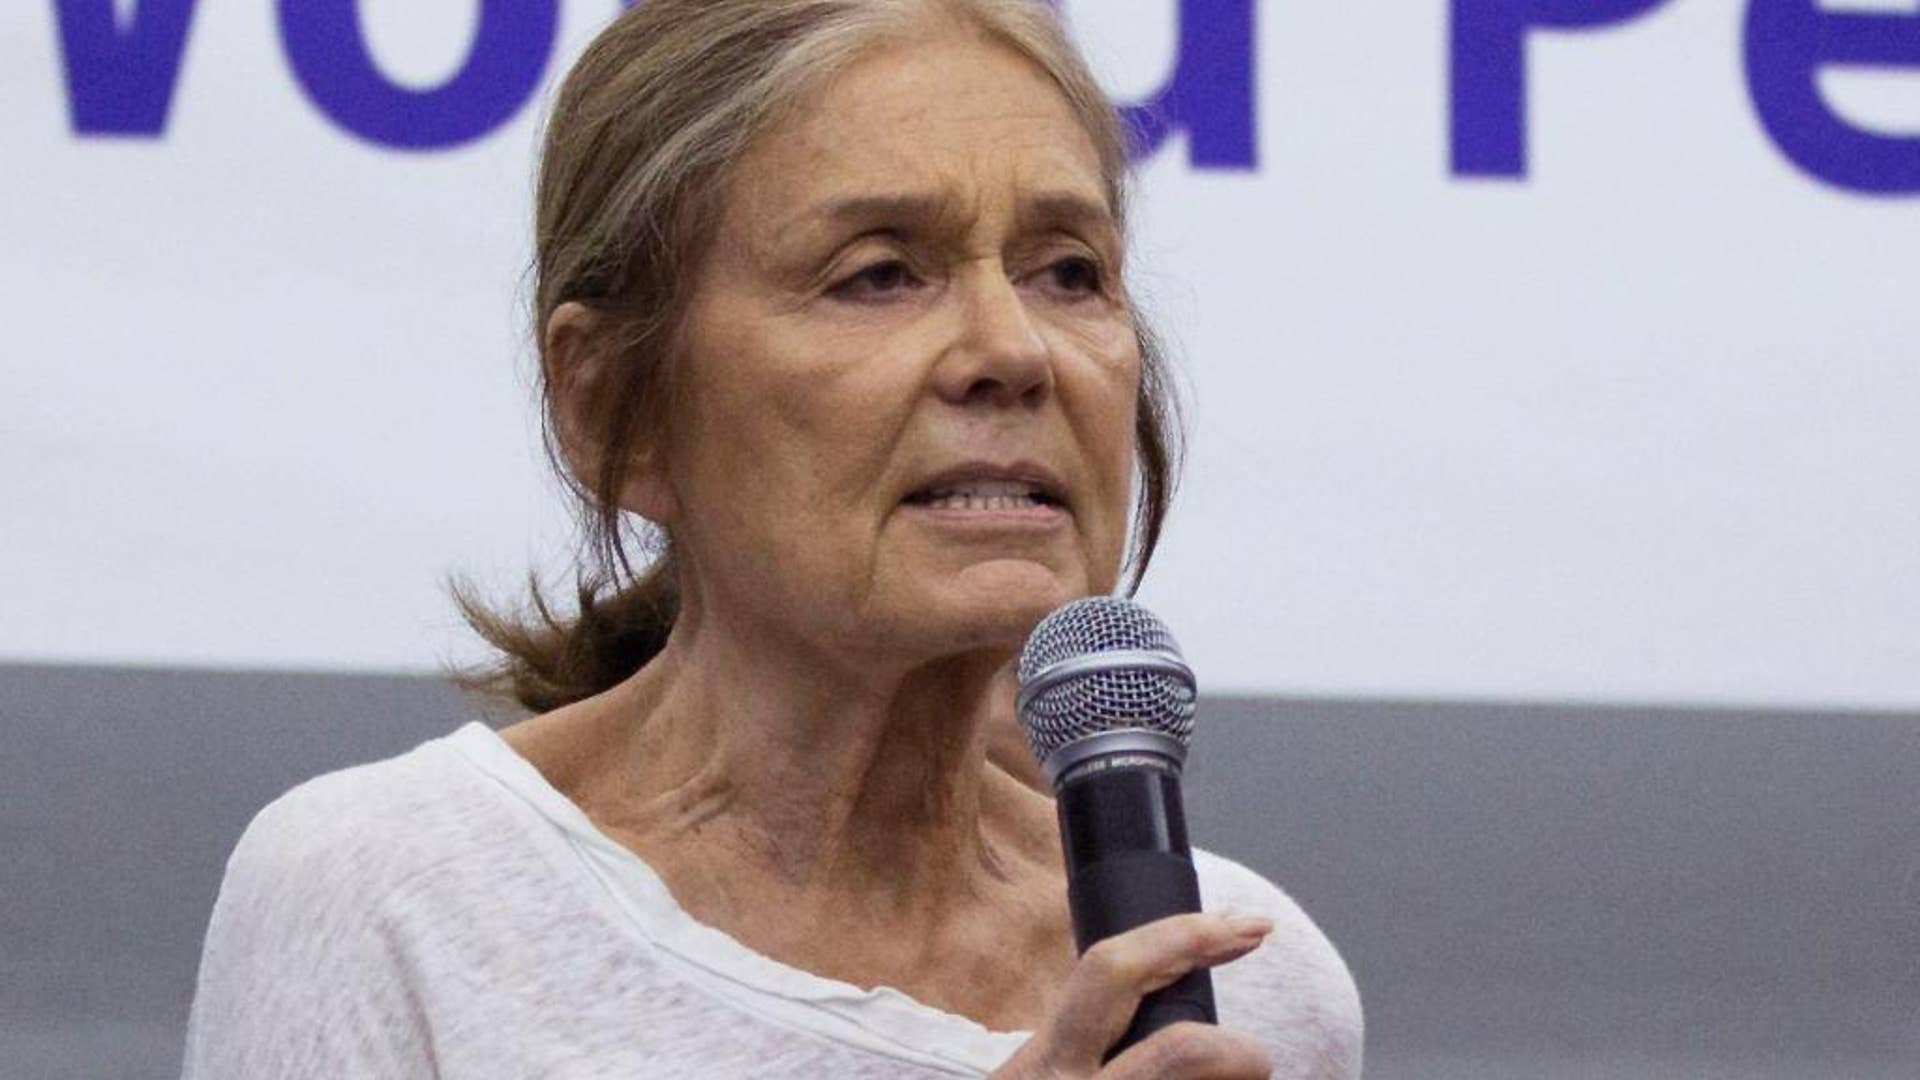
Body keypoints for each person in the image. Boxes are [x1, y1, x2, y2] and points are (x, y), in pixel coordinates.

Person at [182, 1, 1363, 1076]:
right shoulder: (397, 897)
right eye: (879, 275)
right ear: (614, 409)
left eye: (1069, 271)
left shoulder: (1256, 979)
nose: (1014, 351)